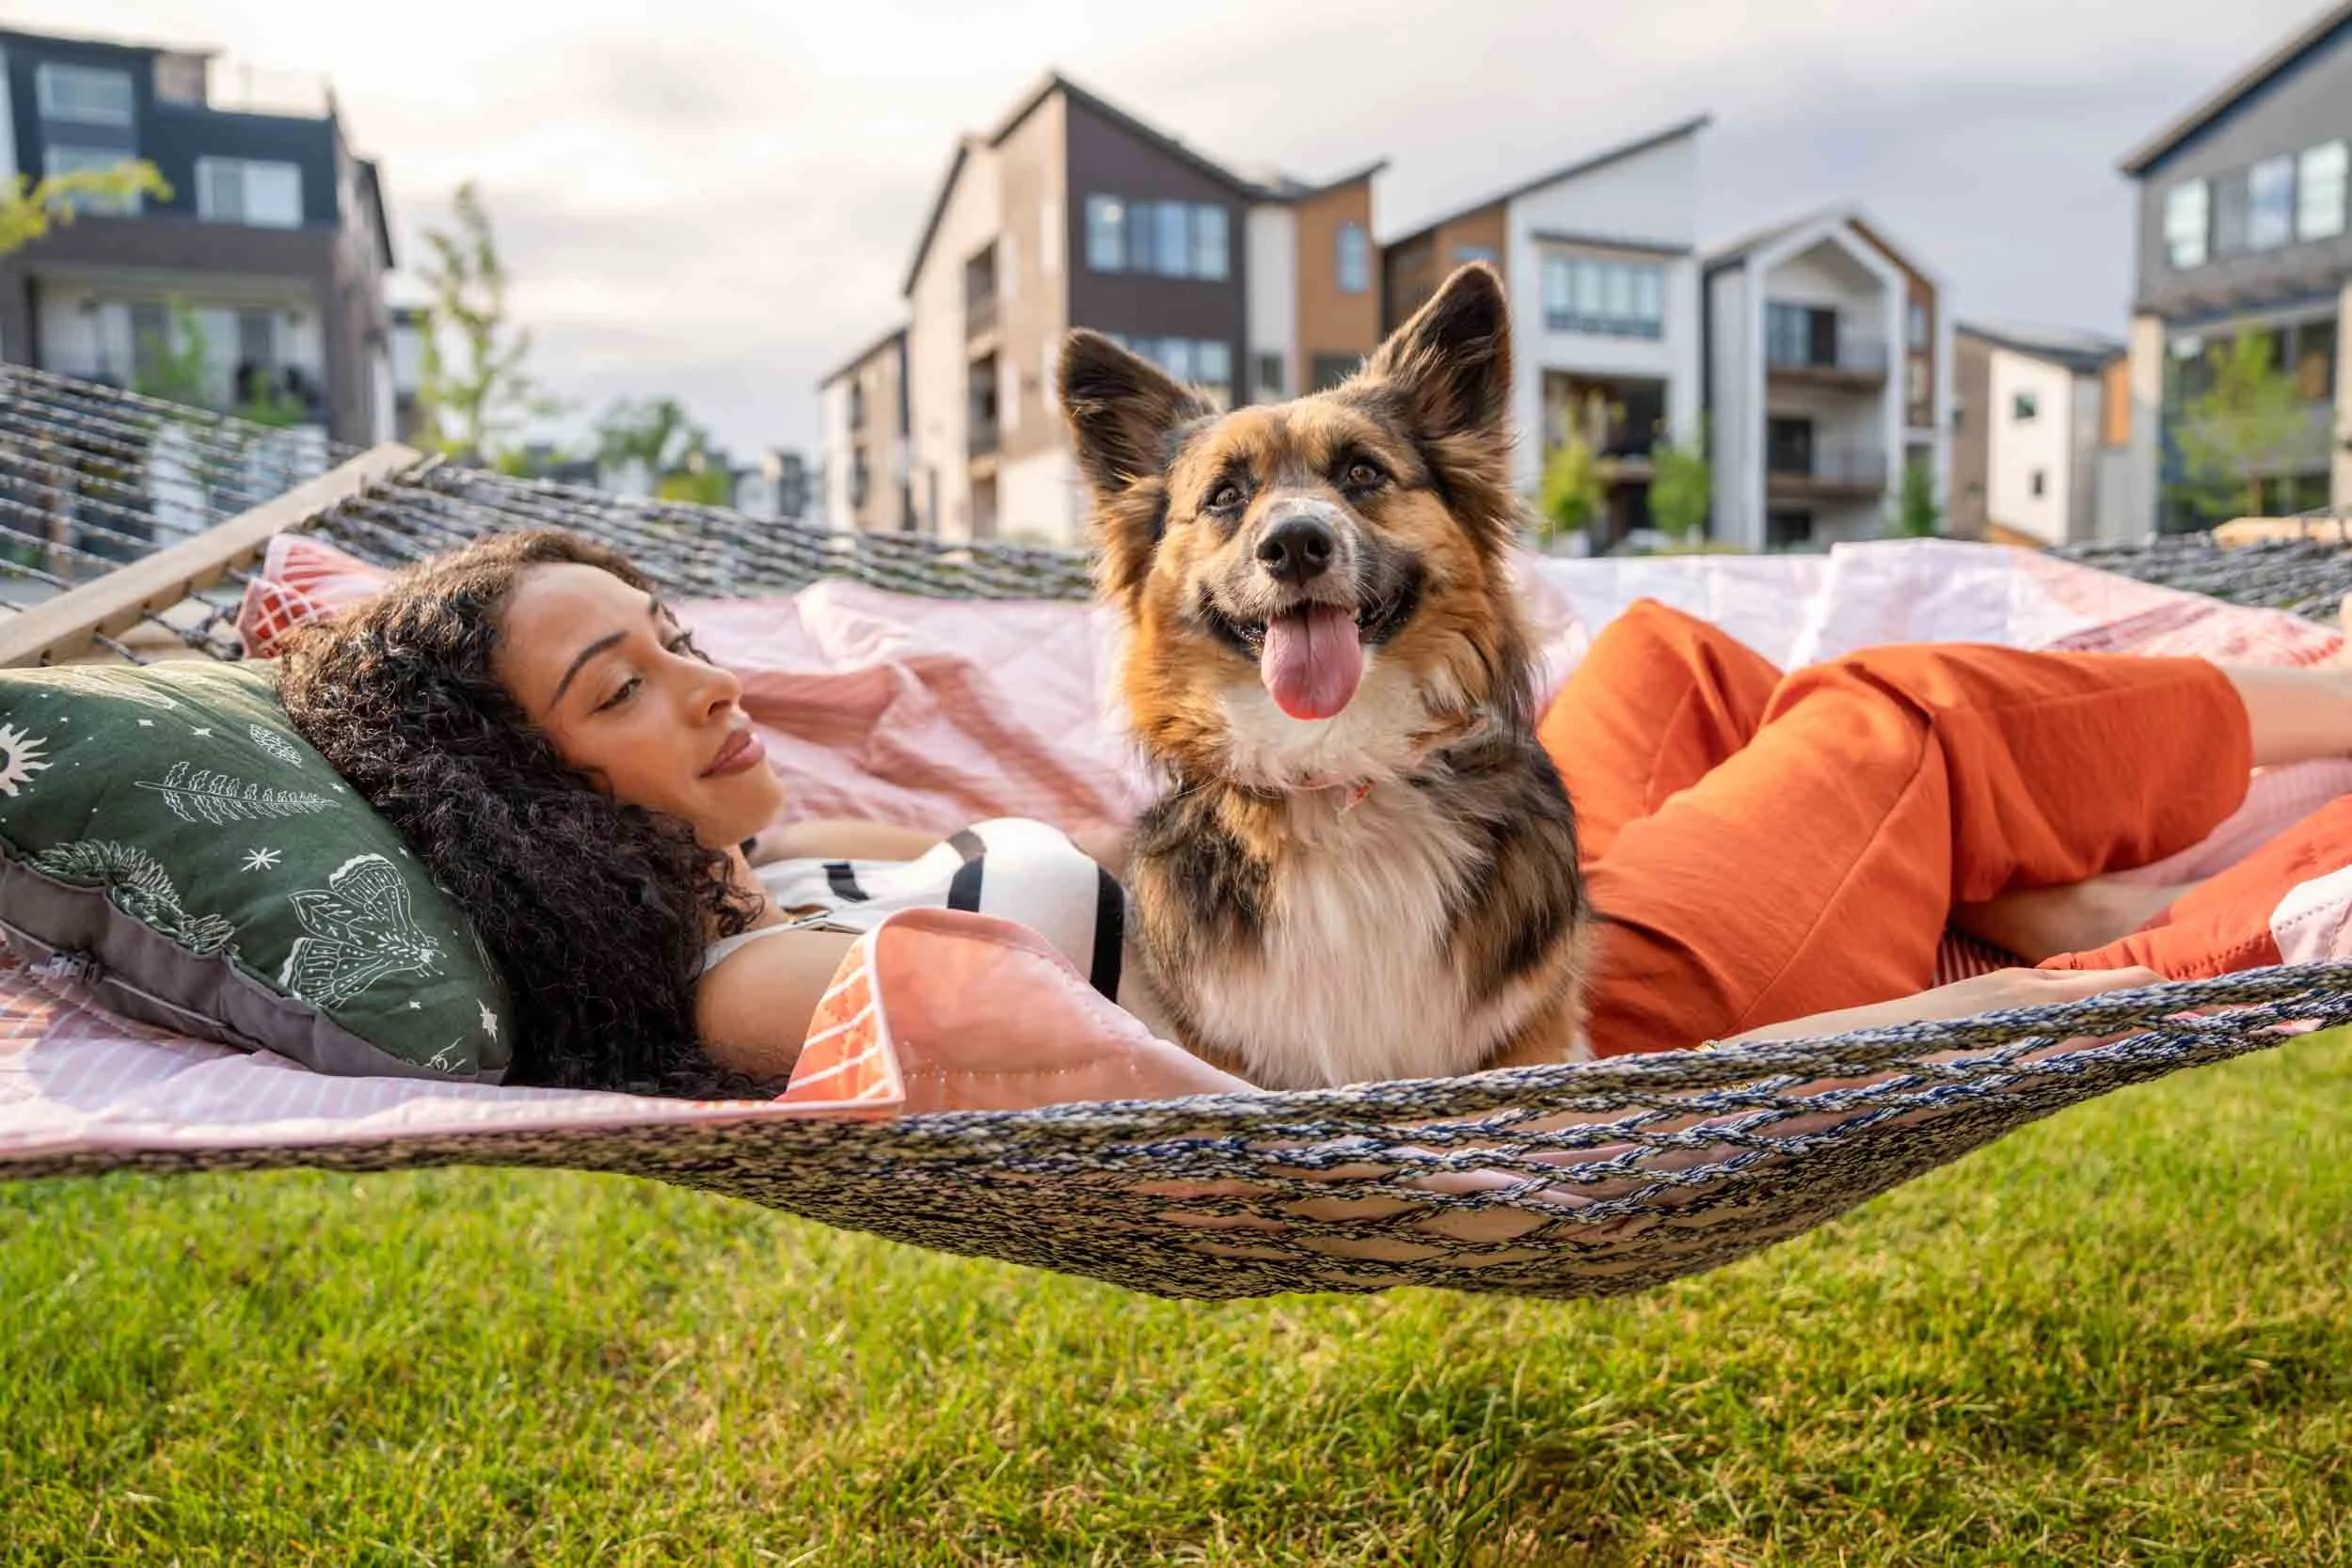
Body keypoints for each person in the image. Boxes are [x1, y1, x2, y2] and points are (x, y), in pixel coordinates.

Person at [278, 529, 2352, 1095]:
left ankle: (2041, 899)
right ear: (521, 792)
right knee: (1893, 711)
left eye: (671, 625)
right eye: (620, 682)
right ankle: (2310, 714)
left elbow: (838, 695)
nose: (707, 674)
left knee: (1665, 668)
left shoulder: (752, 847)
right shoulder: (729, 973)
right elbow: (1033, 1042)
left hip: (1438, 891)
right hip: (1534, 1022)